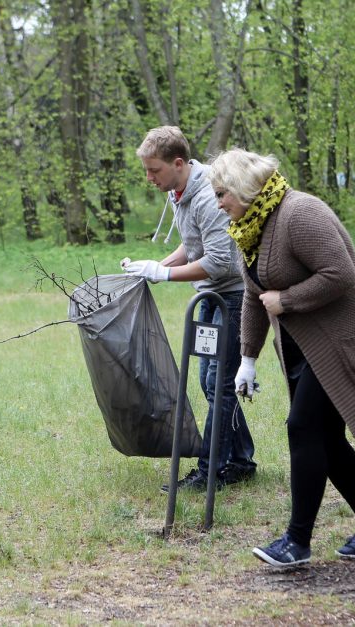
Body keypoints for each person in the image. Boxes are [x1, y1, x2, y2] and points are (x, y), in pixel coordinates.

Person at [207, 148, 355, 567]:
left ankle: (297, 542)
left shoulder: (300, 214)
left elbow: (341, 274)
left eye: (222, 193)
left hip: (345, 340)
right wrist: (248, 359)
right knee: (326, 441)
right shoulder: (249, 228)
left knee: (303, 428)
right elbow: (253, 295)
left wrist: (287, 299)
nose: (218, 203)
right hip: (307, 349)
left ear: (245, 188)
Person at [121, 126, 257, 491]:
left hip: (231, 297)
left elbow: (219, 262)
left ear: (178, 163)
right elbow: (191, 242)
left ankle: (211, 469)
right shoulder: (178, 191)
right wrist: (155, 266)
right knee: (209, 383)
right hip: (208, 297)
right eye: (147, 170)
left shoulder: (207, 196)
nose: (149, 178)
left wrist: (164, 274)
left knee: (220, 384)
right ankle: (241, 460)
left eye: (154, 171)